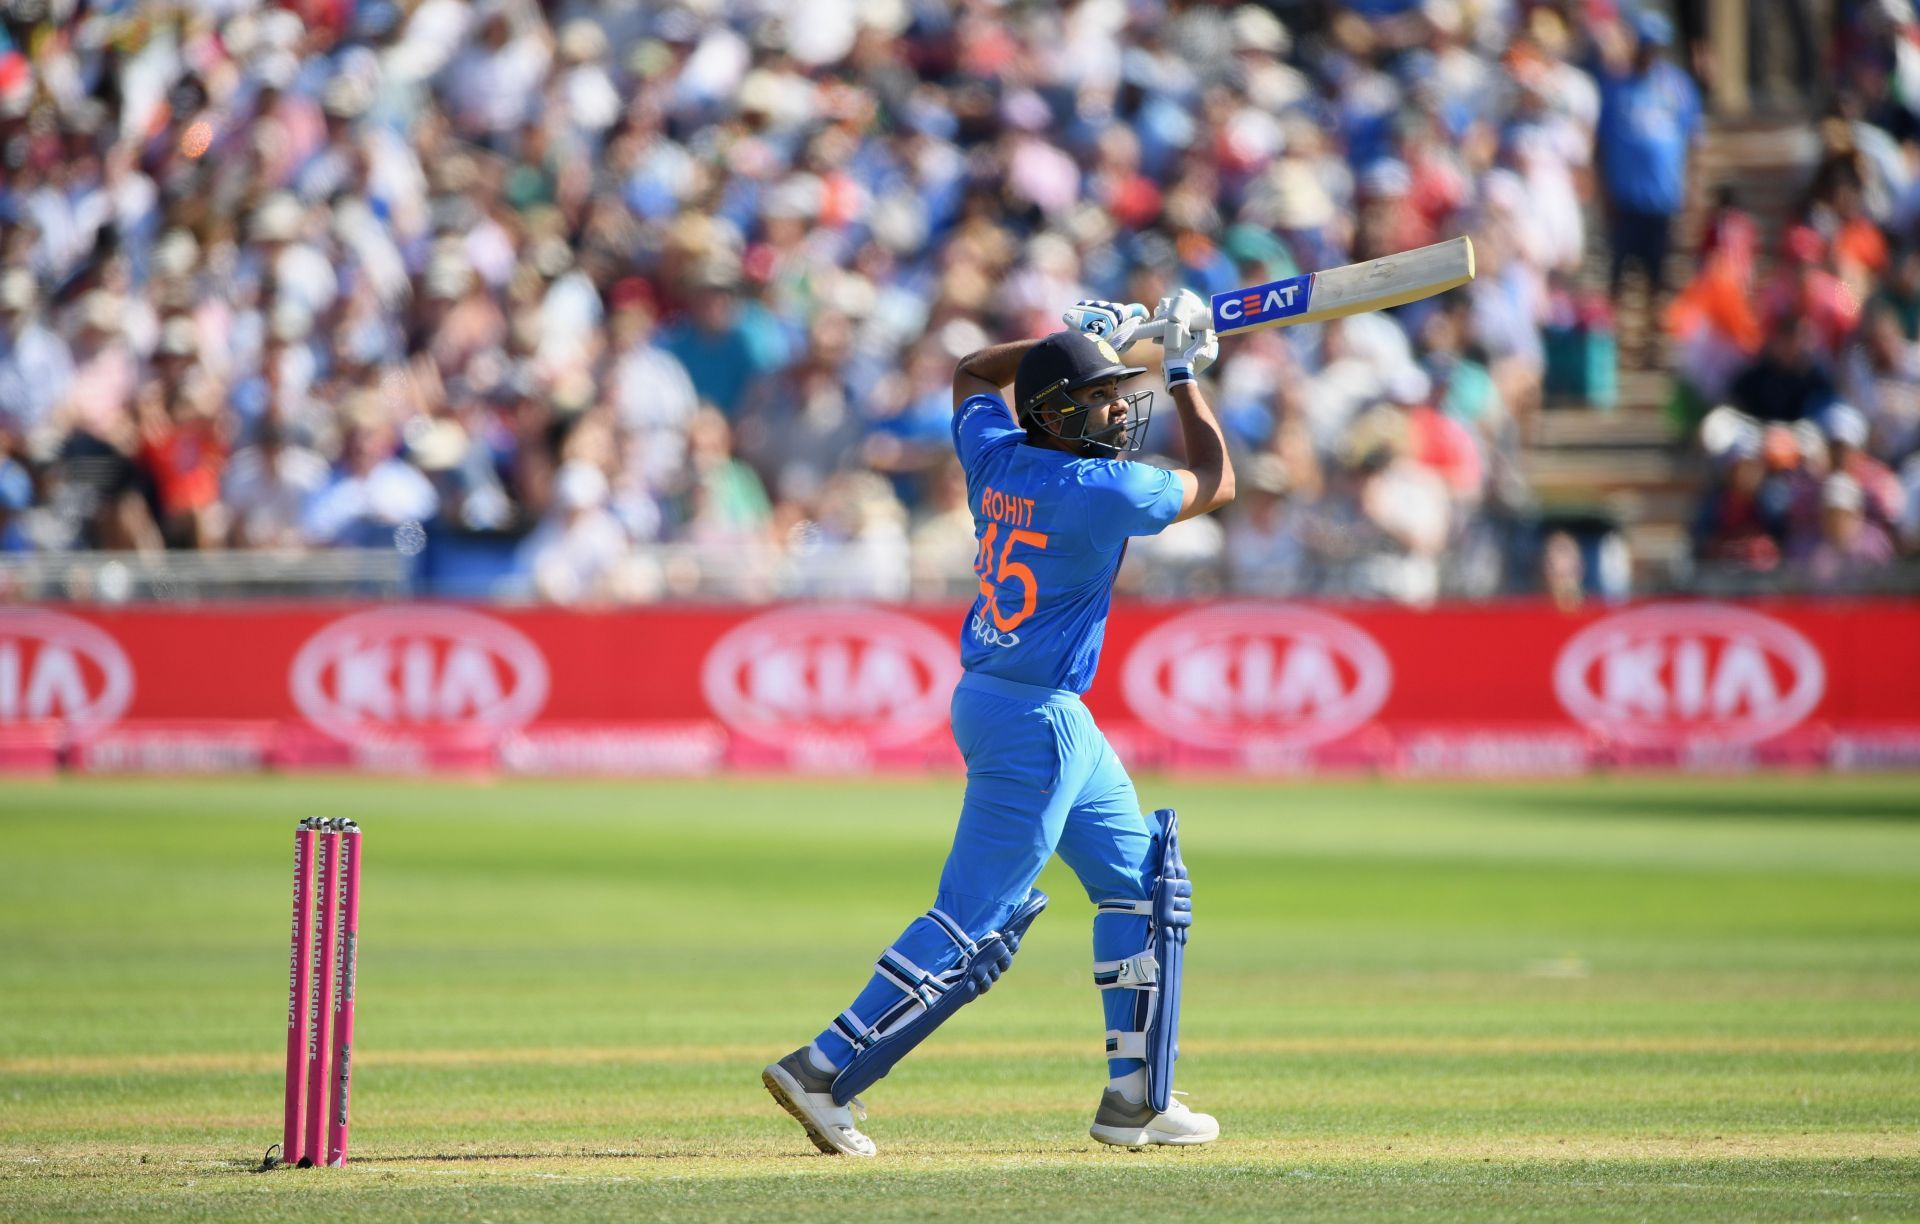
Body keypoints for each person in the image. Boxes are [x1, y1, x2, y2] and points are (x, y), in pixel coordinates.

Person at [762, 295, 1235, 1156]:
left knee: (1144, 886)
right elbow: (1219, 481)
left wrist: (1082, 343)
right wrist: (1182, 374)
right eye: (1103, 396)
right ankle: (825, 1066)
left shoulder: (994, 454)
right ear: (1056, 412)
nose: (1123, 408)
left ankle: (1136, 1098)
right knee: (975, 917)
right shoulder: (1102, 489)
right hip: (1035, 721)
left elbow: (975, 370)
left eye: (1126, 392)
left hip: (1021, 704)